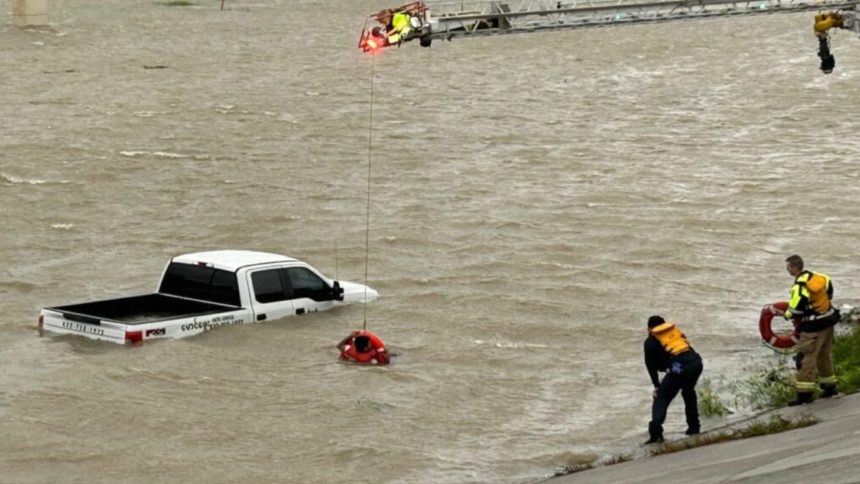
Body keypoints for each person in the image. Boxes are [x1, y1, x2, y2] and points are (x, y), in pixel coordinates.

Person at [771, 255, 840, 405]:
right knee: (824, 355)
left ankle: (804, 394)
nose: (787, 270)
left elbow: (795, 309)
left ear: (794, 268)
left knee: (806, 359)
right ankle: (829, 386)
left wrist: (785, 314)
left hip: (813, 327)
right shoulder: (820, 277)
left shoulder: (799, 287)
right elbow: (830, 293)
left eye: (788, 267)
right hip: (829, 321)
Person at [643, 315, 703, 444]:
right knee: (688, 391)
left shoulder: (650, 341)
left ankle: (656, 434)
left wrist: (657, 386)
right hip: (696, 363)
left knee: (661, 398)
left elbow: (650, 366)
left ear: (649, 329)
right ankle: (694, 427)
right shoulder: (675, 333)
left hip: (679, 368)